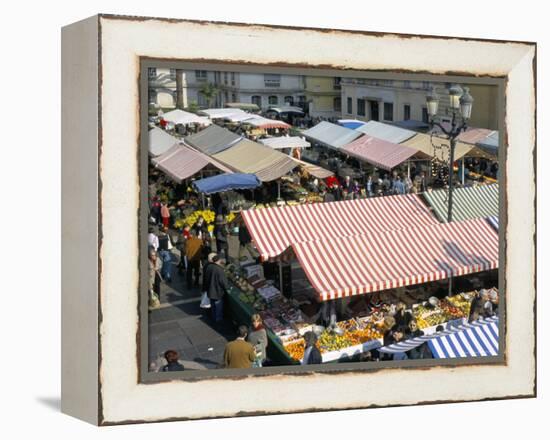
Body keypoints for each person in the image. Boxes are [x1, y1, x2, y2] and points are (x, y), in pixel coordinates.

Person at [204, 254, 230, 324]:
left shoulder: (208, 267)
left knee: (213, 306)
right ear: (218, 260)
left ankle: (213, 318)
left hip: (210, 290)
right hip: (217, 292)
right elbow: (223, 282)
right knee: (218, 307)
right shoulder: (219, 269)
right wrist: (227, 288)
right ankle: (218, 320)